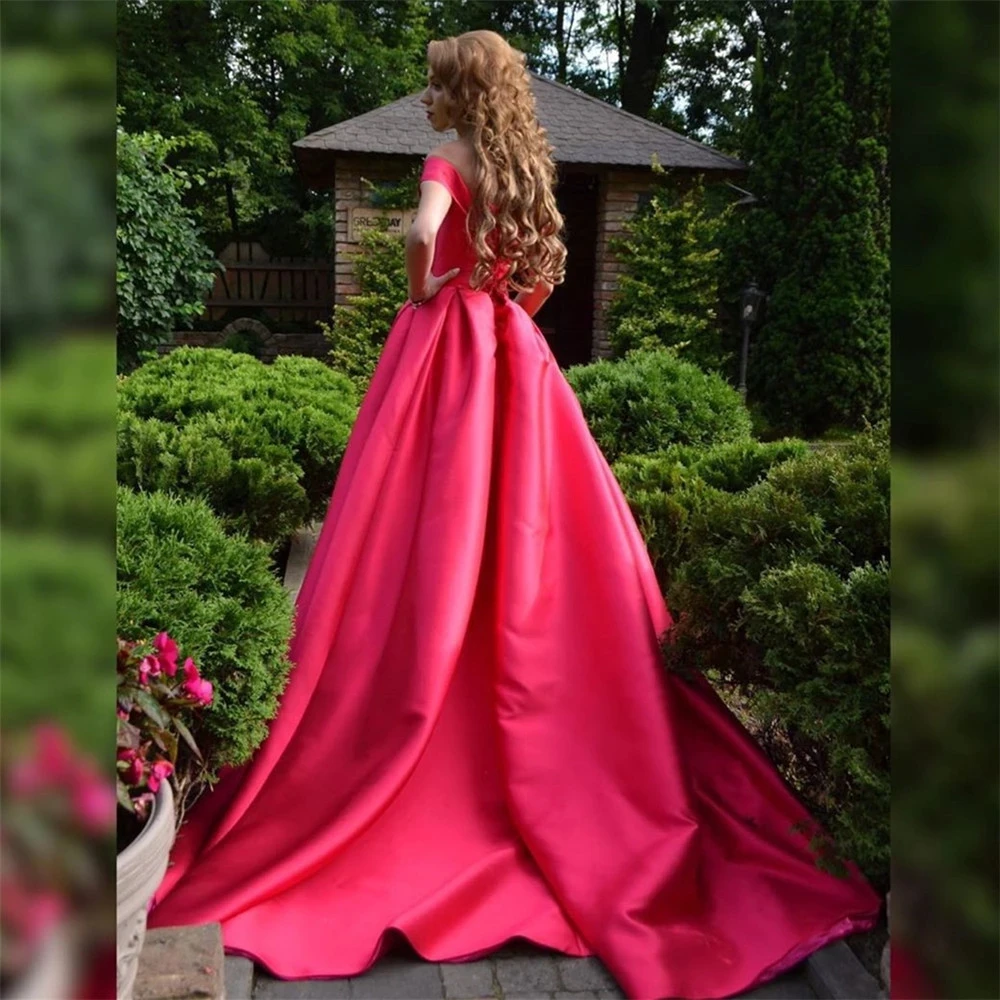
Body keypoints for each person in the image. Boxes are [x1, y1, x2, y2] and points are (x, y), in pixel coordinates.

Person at [150, 30, 880, 1000]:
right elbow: (546, 274)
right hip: (513, 354)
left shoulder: (449, 157)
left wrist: (431, 290)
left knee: (420, 534)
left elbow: (418, 237)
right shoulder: (526, 162)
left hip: (444, 353)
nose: (423, 95)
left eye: (432, 81)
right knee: (535, 544)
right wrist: (496, 295)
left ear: (458, 88)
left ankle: (430, 701)